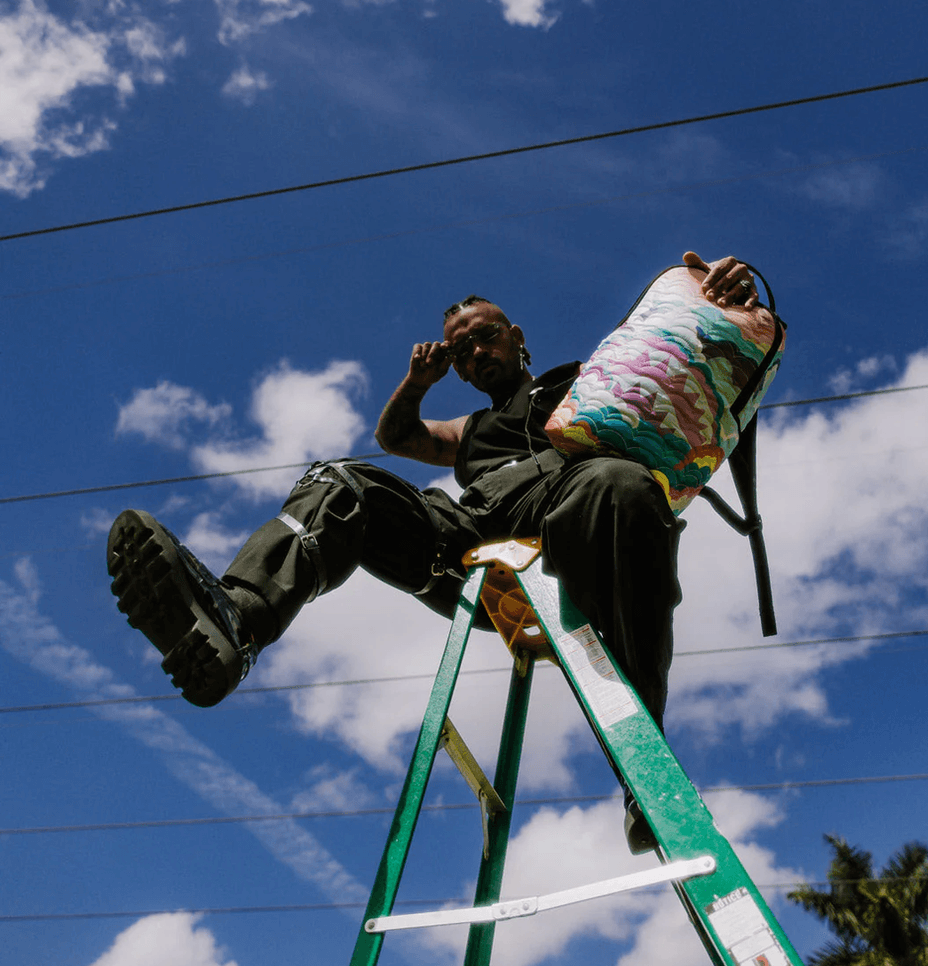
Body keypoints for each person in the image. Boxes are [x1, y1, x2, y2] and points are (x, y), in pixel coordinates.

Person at [108, 250, 756, 729]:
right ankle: (238, 621)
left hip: (574, 523)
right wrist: (418, 382)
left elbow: (670, 359)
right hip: (468, 546)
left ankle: (643, 744)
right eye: (461, 349)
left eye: (486, 335)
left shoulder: (583, 384)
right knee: (341, 484)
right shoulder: (468, 429)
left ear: (517, 339)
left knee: (620, 481)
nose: (476, 350)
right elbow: (395, 437)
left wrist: (723, 295)